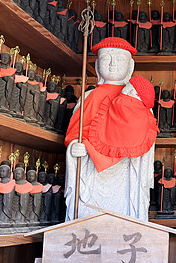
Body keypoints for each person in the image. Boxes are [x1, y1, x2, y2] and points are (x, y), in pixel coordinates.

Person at [64, 37, 156, 221]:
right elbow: (76, 131)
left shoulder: (139, 100)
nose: (113, 64)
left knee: (125, 213)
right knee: (90, 214)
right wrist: (75, 146)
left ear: (130, 66)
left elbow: (147, 138)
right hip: (91, 168)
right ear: (97, 65)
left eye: (119, 59)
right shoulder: (88, 97)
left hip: (127, 170)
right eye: (106, 59)